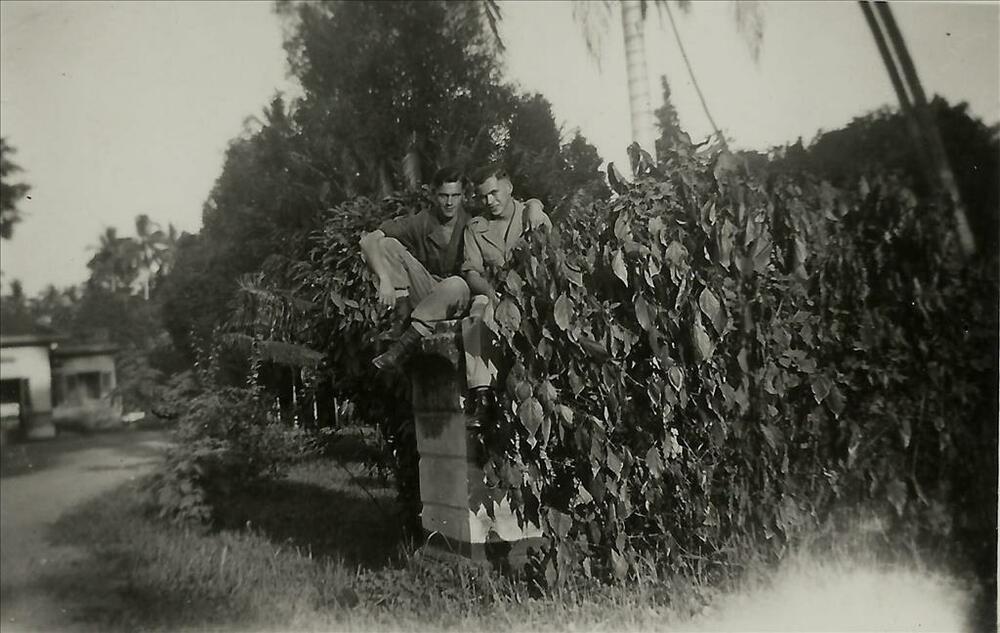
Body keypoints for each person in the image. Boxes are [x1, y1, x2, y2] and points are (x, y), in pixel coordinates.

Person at [360, 166, 472, 371]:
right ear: (434, 194)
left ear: (463, 195)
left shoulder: (472, 220)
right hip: (428, 292)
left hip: (460, 299)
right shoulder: (423, 220)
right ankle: (401, 317)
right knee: (386, 244)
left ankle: (403, 346)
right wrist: (385, 279)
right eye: (443, 196)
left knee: (455, 284)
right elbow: (368, 241)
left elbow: (510, 207)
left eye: (455, 196)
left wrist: (533, 206)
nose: (449, 202)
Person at [461, 164, 551, 415]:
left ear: (509, 188)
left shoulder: (530, 215)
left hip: (533, 295)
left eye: (494, 193)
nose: (489, 201)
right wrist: (492, 295)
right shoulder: (476, 227)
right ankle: (482, 396)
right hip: (495, 293)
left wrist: (536, 205)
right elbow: (471, 272)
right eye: (483, 197)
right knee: (478, 314)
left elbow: (550, 261)